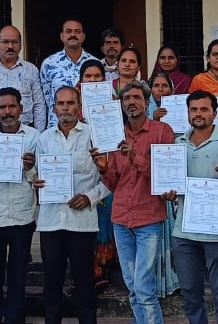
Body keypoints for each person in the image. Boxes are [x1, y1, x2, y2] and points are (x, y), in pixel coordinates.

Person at [95, 81, 175, 324]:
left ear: (146, 102)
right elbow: (113, 183)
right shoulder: (114, 134)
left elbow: (166, 175)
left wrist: (135, 157)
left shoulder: (162, 131)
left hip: (148, 218)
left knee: (143, 286)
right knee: (132, 286)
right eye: (126, 98)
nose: (131, 102)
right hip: (121, 218)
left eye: (136, 97)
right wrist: (103, 168)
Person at [34, 86, 111, 324]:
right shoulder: (44, 138)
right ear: (54, 108)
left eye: (70, 103)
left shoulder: (94, 135)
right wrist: (35, 181)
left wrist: (90, 197)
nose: (65, 108)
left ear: (79, 106)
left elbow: (109, 178)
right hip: (51, 221)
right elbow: (35, 174)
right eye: (61, 103)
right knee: (52, 283)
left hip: (82, 222)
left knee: (85, 281)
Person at [162, 91, 218, 324]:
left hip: (215, 229)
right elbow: (169, 182)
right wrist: (167, 191)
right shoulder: (177, 144)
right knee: (191, 294)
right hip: (183, 231)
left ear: (215, 113)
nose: (198, 114)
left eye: (204, 109)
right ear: (187, 113)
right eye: (193, 109)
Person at [0, 88, 40, 324]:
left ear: (21, 109)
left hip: (22, 215)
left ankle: (15, 318)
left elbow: (43, 179)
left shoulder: (34, 137)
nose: (7, 112)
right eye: (2, 107)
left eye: (12, 106)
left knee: (18, 274)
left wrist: (31, 168)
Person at [78, 59, 117, 287]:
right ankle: (86, 272)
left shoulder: (114, 103)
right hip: (81, 168)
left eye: (97, 76)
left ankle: (104, 268)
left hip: (107, 164)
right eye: (88, 77)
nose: (93, 81)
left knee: (105, 216)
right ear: (81, 80)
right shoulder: (72, 103)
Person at [0, 26, 46, 130]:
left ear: (21, 45)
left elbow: (39, 104)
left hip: (26, 132)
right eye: (5, 42)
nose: (10, 46)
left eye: (15, 42)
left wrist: (39, 133)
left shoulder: (31, 70)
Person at [40, 19, 100, 128]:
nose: (73, 35)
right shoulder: (49, 64)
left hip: (88, 127)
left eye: (77, 31)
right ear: (62, 36)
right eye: (68, 31)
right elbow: (46, 99)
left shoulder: (95, 63)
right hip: (56, 127)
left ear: (83, 36)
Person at [113, 47, 155, 119]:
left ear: (138, 68)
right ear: (118, 65)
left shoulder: (144, 88)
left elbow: (151, 113)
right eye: (123, 61)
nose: (127, 64)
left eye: (132, 61)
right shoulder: (108, 87)